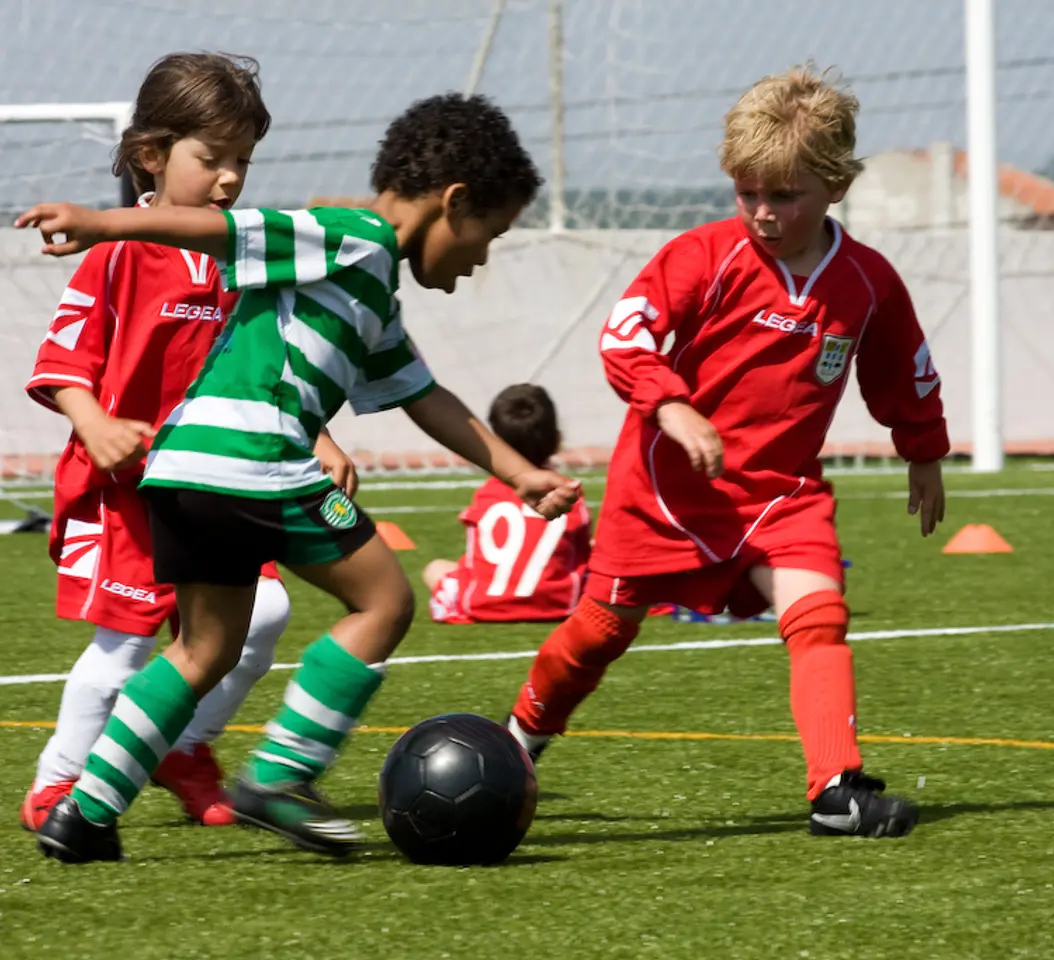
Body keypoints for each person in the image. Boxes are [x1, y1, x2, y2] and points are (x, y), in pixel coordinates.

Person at [18, 91, 582, 864]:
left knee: (201, 651)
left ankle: (83, 814)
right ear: (454, 202)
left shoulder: (371, 287)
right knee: (383, 601)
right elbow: (221, 228)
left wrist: (519, 472)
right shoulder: (350, 236)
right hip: (256, 462)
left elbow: (424, 396)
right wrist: (100, 222)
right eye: (490, 234)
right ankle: (281, 778)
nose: (482, 257)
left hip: (185, 466)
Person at [503, 66, 949, 838]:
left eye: (786, 195)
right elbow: (625, 336)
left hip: (781, 493)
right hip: (665, 491)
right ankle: (518, 744)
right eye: (749, 194)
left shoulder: (869, 283)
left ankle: (837, 791)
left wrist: (923, 450)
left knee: (819, 616)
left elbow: (902, 367)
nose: (765, 213)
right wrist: (672, 404)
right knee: (600, 633)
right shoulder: (702, 257)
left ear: (836, 187)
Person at [17, 52, 358, 832]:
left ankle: (186, 748)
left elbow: (265, 366)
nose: (230, 178)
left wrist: (322, 433)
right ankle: (58, 781)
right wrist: (93, 421)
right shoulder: (115, 255)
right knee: (125, 644)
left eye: (242, 160)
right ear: (151, 156)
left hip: (216, 482)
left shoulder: (244, 258)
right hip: (128, 493)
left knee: (264, 613)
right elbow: (62, 361)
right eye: (211, 159)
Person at [425, 383, 591, 624]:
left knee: (435, 567)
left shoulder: (487, 493)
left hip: (483, 605)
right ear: (556, 438)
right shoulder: (567, 491)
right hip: (557, 605)